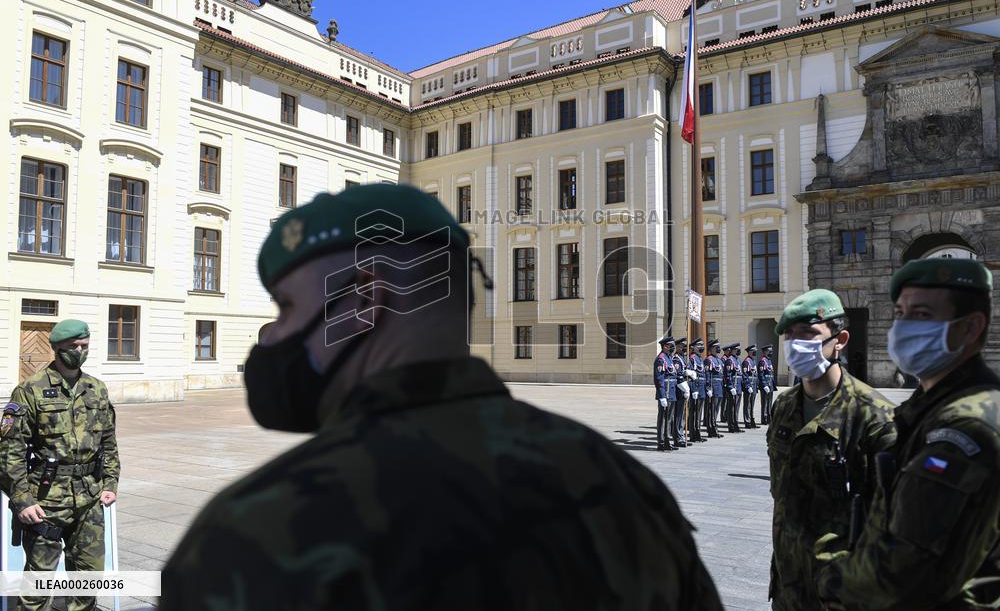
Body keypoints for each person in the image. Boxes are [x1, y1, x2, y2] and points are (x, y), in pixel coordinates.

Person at [161, 184, 723, 610]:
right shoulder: (626, 488)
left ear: (363, 299)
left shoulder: (255, 531)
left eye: (285, 307)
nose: (272, 337)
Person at [815, 258, 1000, 609]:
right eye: (900, 313)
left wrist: (828, 568)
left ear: (971, 327)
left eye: (922, 315)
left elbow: (901, 574)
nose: (902, 326)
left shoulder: (964, 430)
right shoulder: (932, 408)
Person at [766, 289, 896, 610]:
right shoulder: (784, 406)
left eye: (809, 333)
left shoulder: (873, 415)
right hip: (788, 585)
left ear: (840, 340)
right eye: (790, 335)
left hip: (842, 593)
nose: (796, 344)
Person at [0, 319, 120, 611]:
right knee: (39, 582)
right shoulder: (30, 390)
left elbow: (108, 441)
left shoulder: (96, 388)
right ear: (56, 349)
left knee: (88, 577)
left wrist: (110, 482)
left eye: (84, 346)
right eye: (72, 347)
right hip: (46, 499)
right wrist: (22, 499)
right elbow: (9, 451)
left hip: (89, 497)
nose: (79, 351)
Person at [654, 335, 678, 451]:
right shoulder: (661, 359)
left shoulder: (669, 358)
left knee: (669, 418)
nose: (673, 347)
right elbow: (659, 379)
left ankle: (668, 440)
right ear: (664, 346)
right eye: (670, 345)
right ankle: (661, 442)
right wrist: (662, 396)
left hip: (671, 391)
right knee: (663, 418)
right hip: (665, 392)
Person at [672, 338, 691, 448]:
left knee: (683, 414)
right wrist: (685, 389)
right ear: (677, 347)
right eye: (681, 346)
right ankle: (678, 438)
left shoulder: (684, 358)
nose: (683, 348)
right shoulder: (676, 359)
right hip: (680, 389)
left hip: (685, 388)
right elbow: (678, 376)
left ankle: (681, 436)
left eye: (684, 346)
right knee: (679, 415)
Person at [704, 340, 724, 439]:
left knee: (716, 409)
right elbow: (708, 374)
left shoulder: (719, 360)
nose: (718, 348)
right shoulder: (709, 360)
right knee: (711, 409)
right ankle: (711, 429)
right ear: (711, 348)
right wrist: (708, 388)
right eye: (716, 347)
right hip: (714, 386)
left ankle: (714, 427)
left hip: (719, 386)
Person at [687, 339, 705, 442]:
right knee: (694, 412)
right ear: (693, 347)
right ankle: (693, 434)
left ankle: (698, 432)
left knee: (699, 412)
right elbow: (691, 375)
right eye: (699, 345)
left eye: (702, 344)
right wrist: (693, 389)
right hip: (696, 388)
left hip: (701, 388)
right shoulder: (692, 358)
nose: (701, 346)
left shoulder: (699, 358)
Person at [723, 343, 743, 433]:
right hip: (733, 386)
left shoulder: (737, 360)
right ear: (732, 350)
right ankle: (731, 426)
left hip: (738, 386)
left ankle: (736, 424)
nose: (738, 351)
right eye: (736, 349)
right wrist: (730, 387)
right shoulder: (729, 360)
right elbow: (728, 375)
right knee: (731, 408)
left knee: (737, 407)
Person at [742, 345, 759, 429]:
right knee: (747, 405)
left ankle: (751, 420)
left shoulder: (753, 361)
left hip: (754, 386)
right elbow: (745, 375)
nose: (755, 352)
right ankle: (747, 421)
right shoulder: (746, 361)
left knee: (752, 405)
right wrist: (748, 386)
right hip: (749, 386)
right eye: (753, 350)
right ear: (749, 352)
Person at [758, 344, 776, 425]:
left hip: (770, 385)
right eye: (769, 351)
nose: (771, 352)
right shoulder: (762, 361)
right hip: (765, 385)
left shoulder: (769, 360)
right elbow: (761, 374)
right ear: (765, 352)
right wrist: (764, 385)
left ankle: (769, 418)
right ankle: (764, 419)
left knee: (769, 403)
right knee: (765, 403)